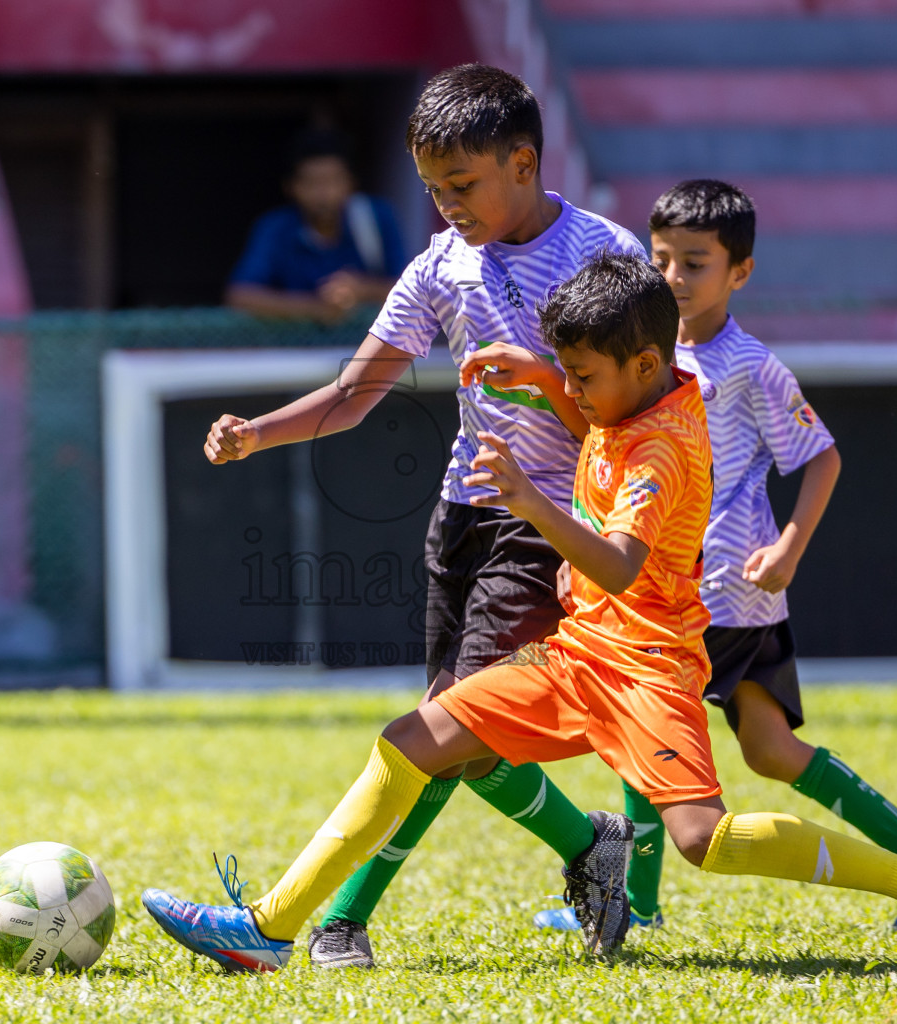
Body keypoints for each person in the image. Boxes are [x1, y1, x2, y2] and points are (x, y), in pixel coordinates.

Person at [141, 253, 897, 974]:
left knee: (701, 838)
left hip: (648, 665)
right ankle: (269, 930)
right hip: (579, 652)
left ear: (639, 367)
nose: (579, 396)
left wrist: (529, 498)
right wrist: (550, 381)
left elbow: (622, 563)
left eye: (586, 378)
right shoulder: (651, 385)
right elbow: (599, 424)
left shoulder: (659, 449)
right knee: (417, 739)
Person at [201, 64, 646, 970]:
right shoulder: (440, 265)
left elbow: (635, 417)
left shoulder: (605, 257)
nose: (448, 207)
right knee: (460, 737)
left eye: (464, 186)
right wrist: (258, 435)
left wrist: (550, 380)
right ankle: (589, 845)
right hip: (461, 520)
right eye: (434, 190)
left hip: (548, 525)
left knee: (445, 723)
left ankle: (331, 920)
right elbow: (352, 395)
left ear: (524, 162)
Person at [532, 180, 897, 939]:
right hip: (667, 598)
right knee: (683, 750)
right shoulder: (630, 357)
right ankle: (644, 903)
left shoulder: (751, 366)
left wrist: (790, 546)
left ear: (741, 274)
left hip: (733, 596)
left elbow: (821, 458)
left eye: (694, 262)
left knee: (764, 751)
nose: (674, 278)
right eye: (660, 259)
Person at [225, 127, 406, 324]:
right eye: (311, 183)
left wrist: (363, 289)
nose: (324, 194)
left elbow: (414, 290)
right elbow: (240, 295)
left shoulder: (376, 217)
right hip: (298, 350)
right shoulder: (274, 228)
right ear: (290, 187)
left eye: (333, 180)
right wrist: (316, 307)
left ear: (351, 183)